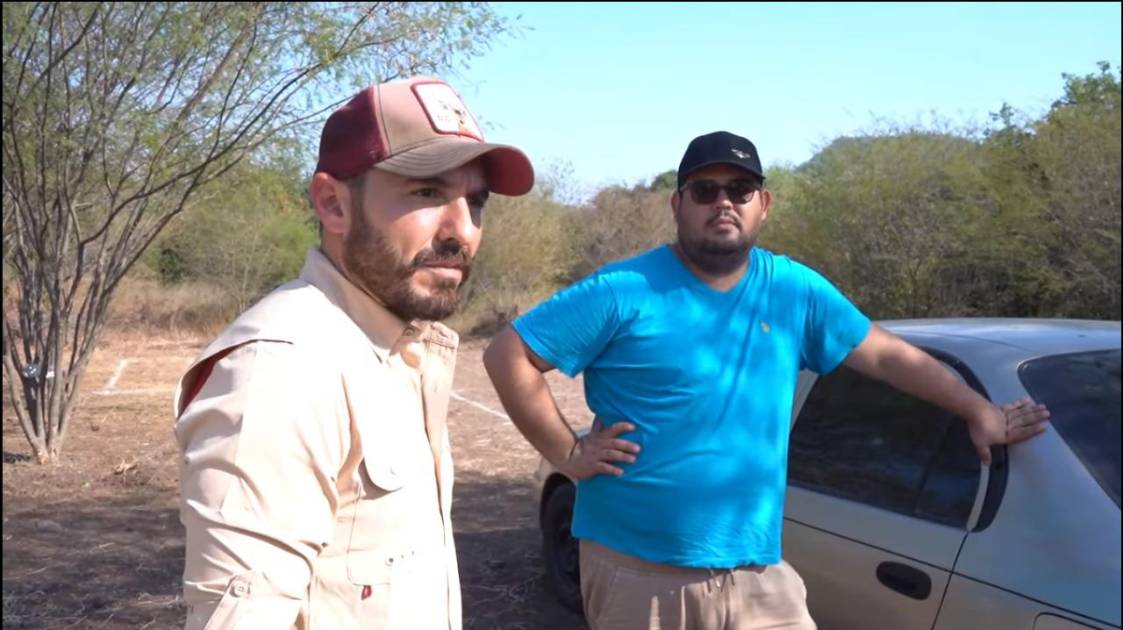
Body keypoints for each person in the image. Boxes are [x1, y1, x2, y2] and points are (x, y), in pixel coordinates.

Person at [482, 131, 1050, 630]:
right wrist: (569, 451)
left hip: (756, 572)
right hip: (639, 572)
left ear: (763, 204)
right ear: (678, 204)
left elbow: (886, 357)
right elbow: (509, 354)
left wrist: (977, 409)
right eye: (705, 191)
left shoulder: (793, 290)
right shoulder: (622, 290)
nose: (723, 203)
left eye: (740, 190)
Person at [173, 76, 534, 630]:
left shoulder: (400, 348)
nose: (462, 231)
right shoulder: (283, 371)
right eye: (427, 193)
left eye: (476, 202)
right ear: (333, 204)